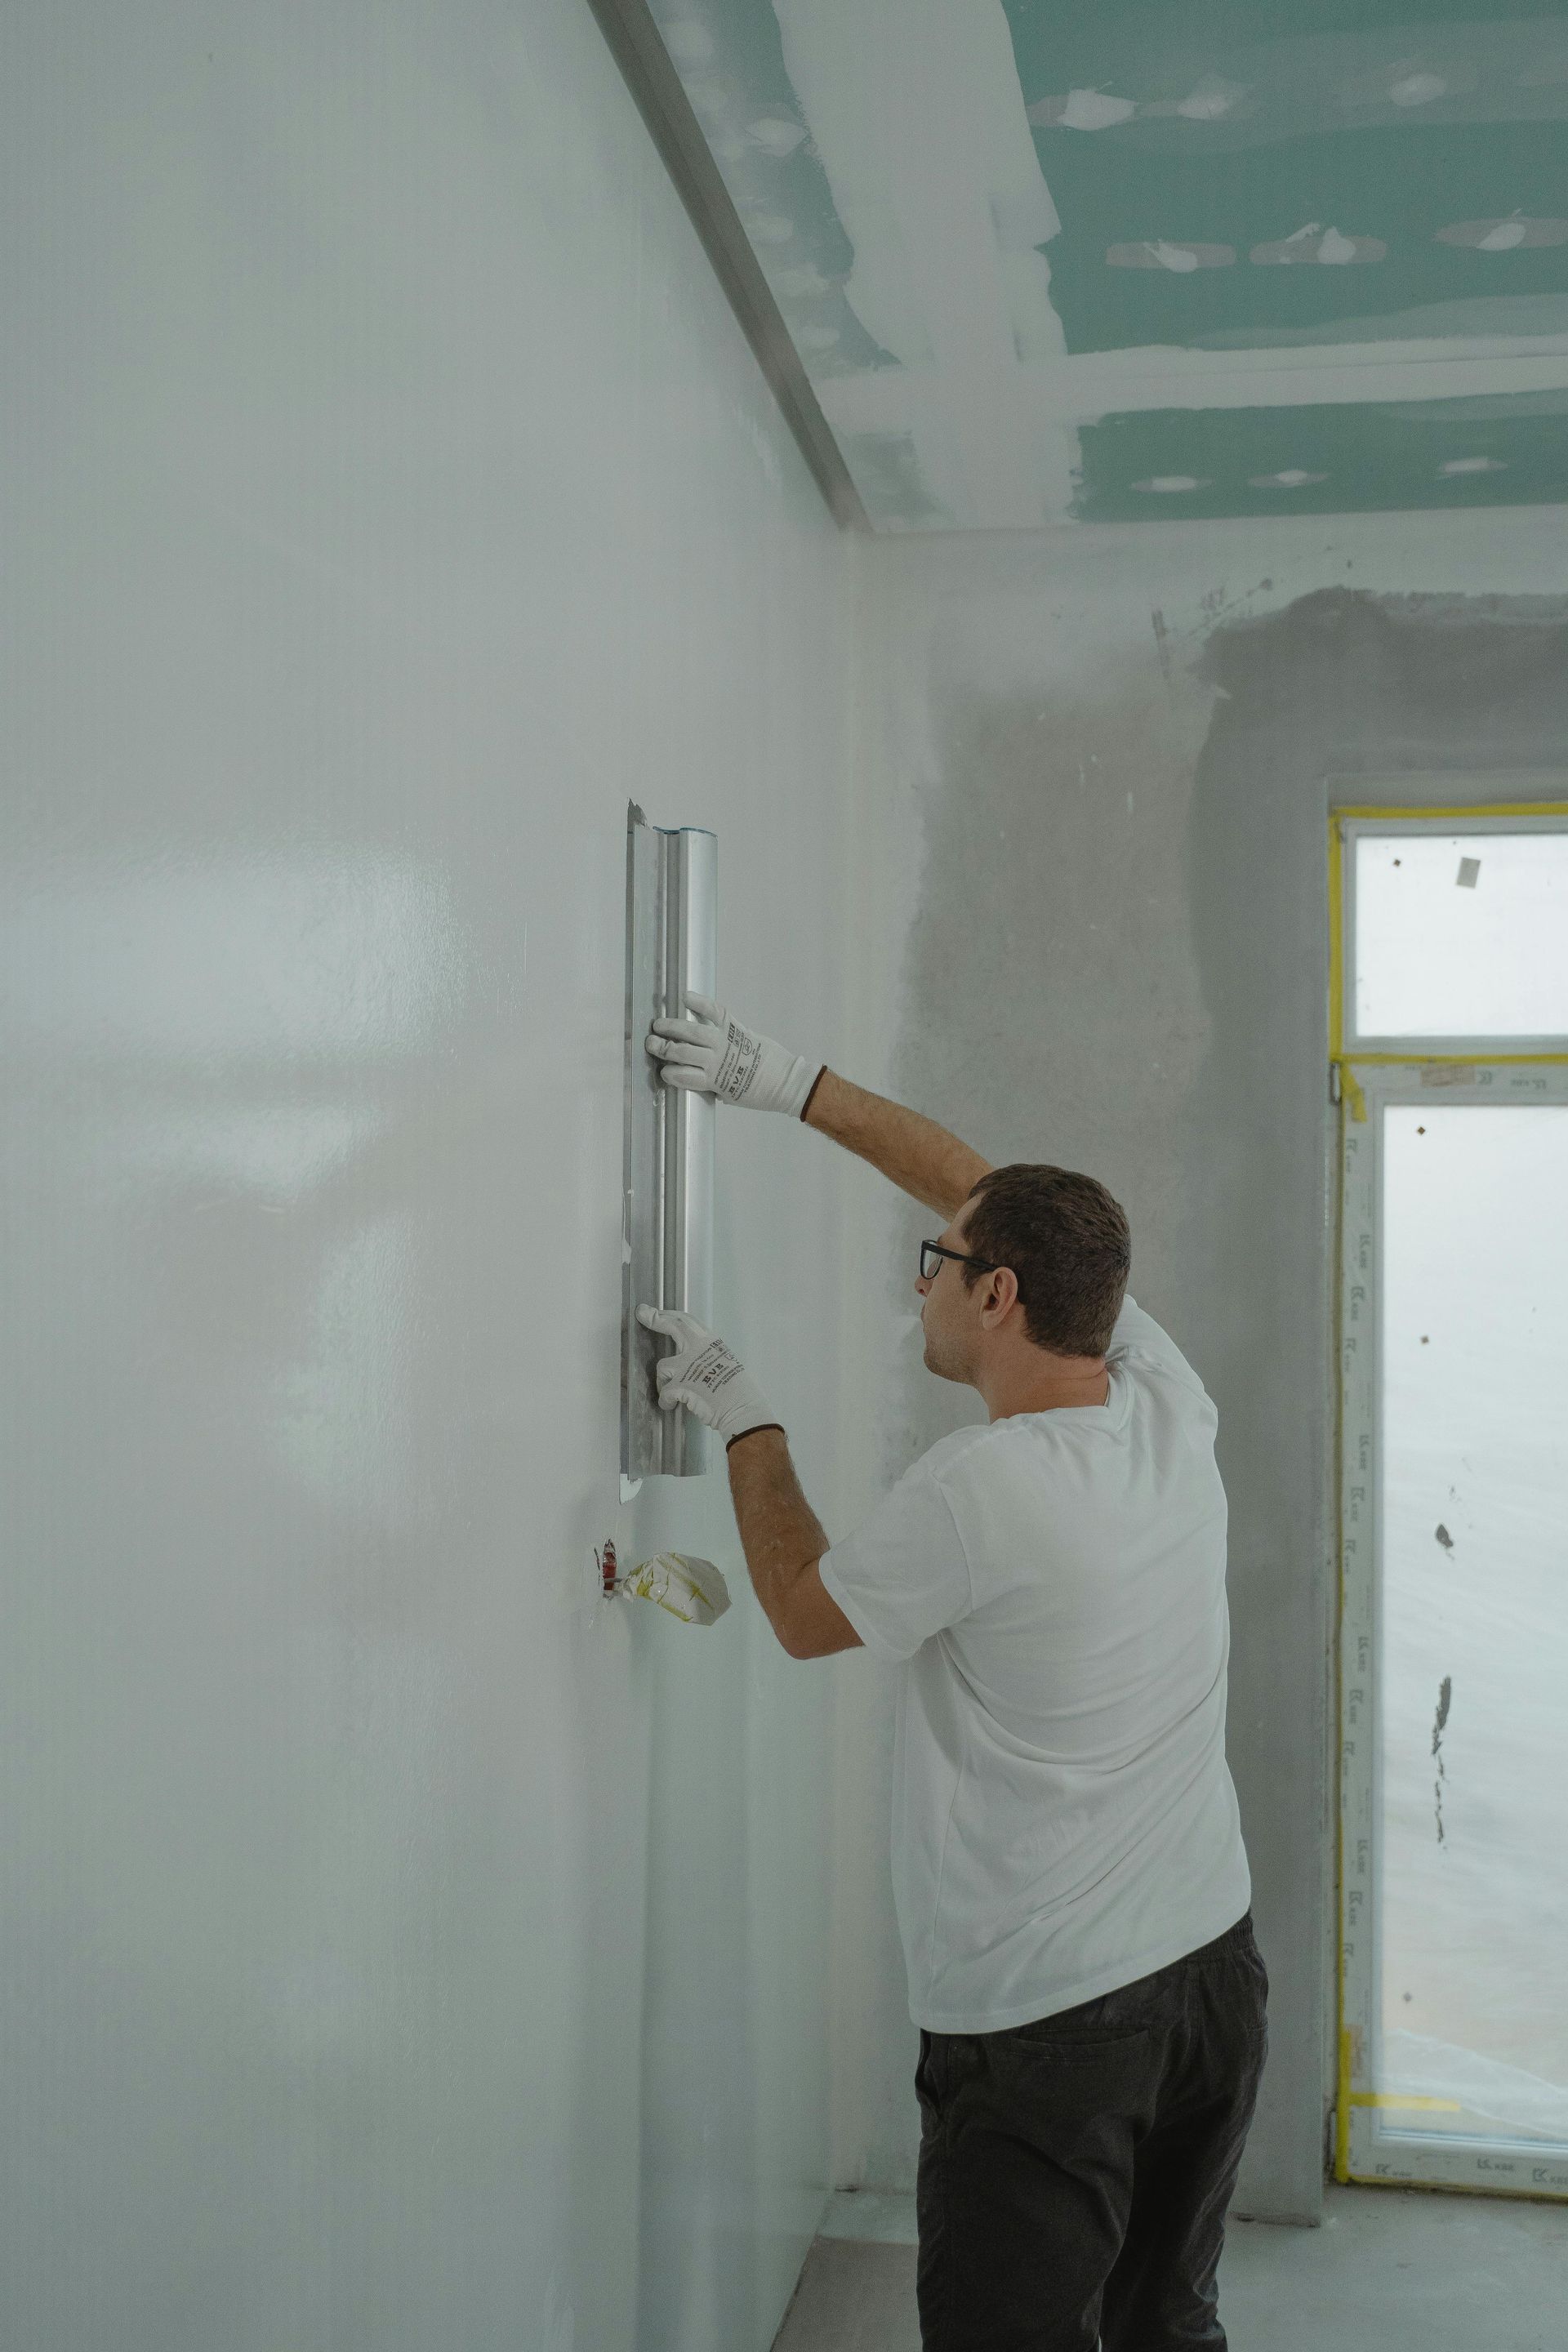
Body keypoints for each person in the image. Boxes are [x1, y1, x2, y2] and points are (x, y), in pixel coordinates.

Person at [639, 994, 1267, 2352]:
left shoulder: (981, 1489)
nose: (916, 1278)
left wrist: (744, 1413)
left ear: (996, 1298)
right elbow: (984, 1194)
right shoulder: (1164, 1396)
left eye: (934, 1263)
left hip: (1054, 2029)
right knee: (1170, 2324)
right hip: (1212, 1973)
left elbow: (806, 1615)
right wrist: (786, 1081)